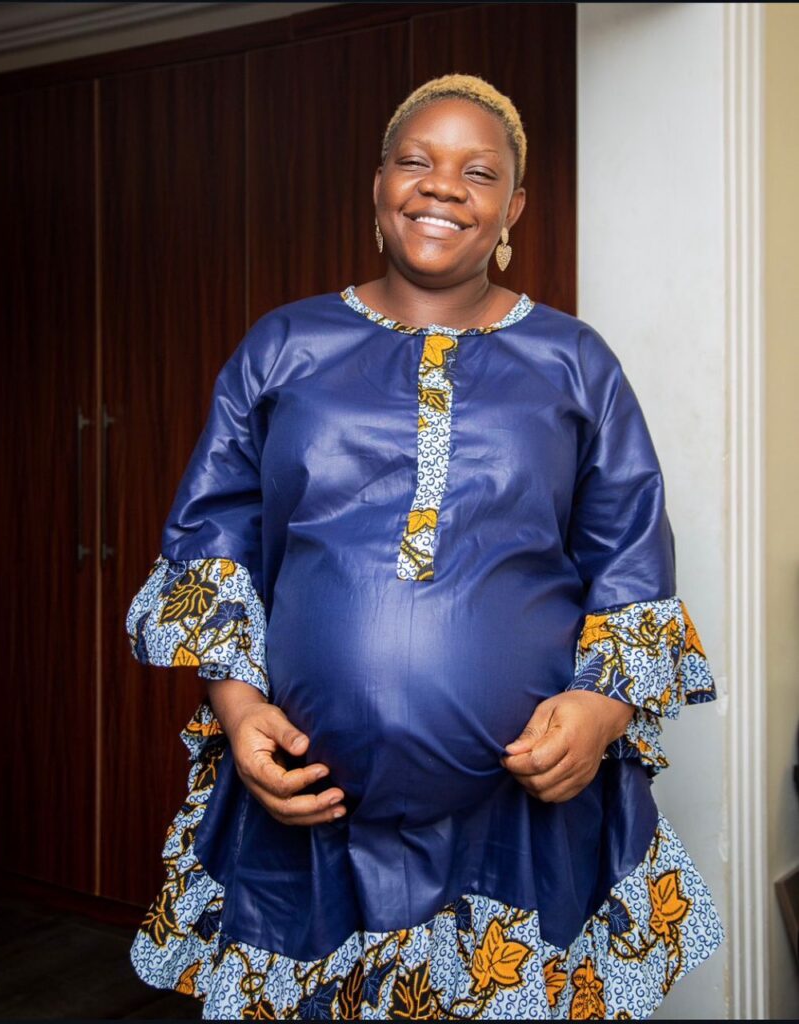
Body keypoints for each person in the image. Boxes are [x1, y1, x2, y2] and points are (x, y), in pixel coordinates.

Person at [125, 74, 724, 1020]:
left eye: (478, 172)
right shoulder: (282, 346)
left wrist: (603, 709)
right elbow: (216, 539)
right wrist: (237, 712)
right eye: (416, 161)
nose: (442, 185)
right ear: (378, 186)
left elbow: (630, 558)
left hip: (518, 828)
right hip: (307, 818)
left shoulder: (575, 361)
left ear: (512, 208)